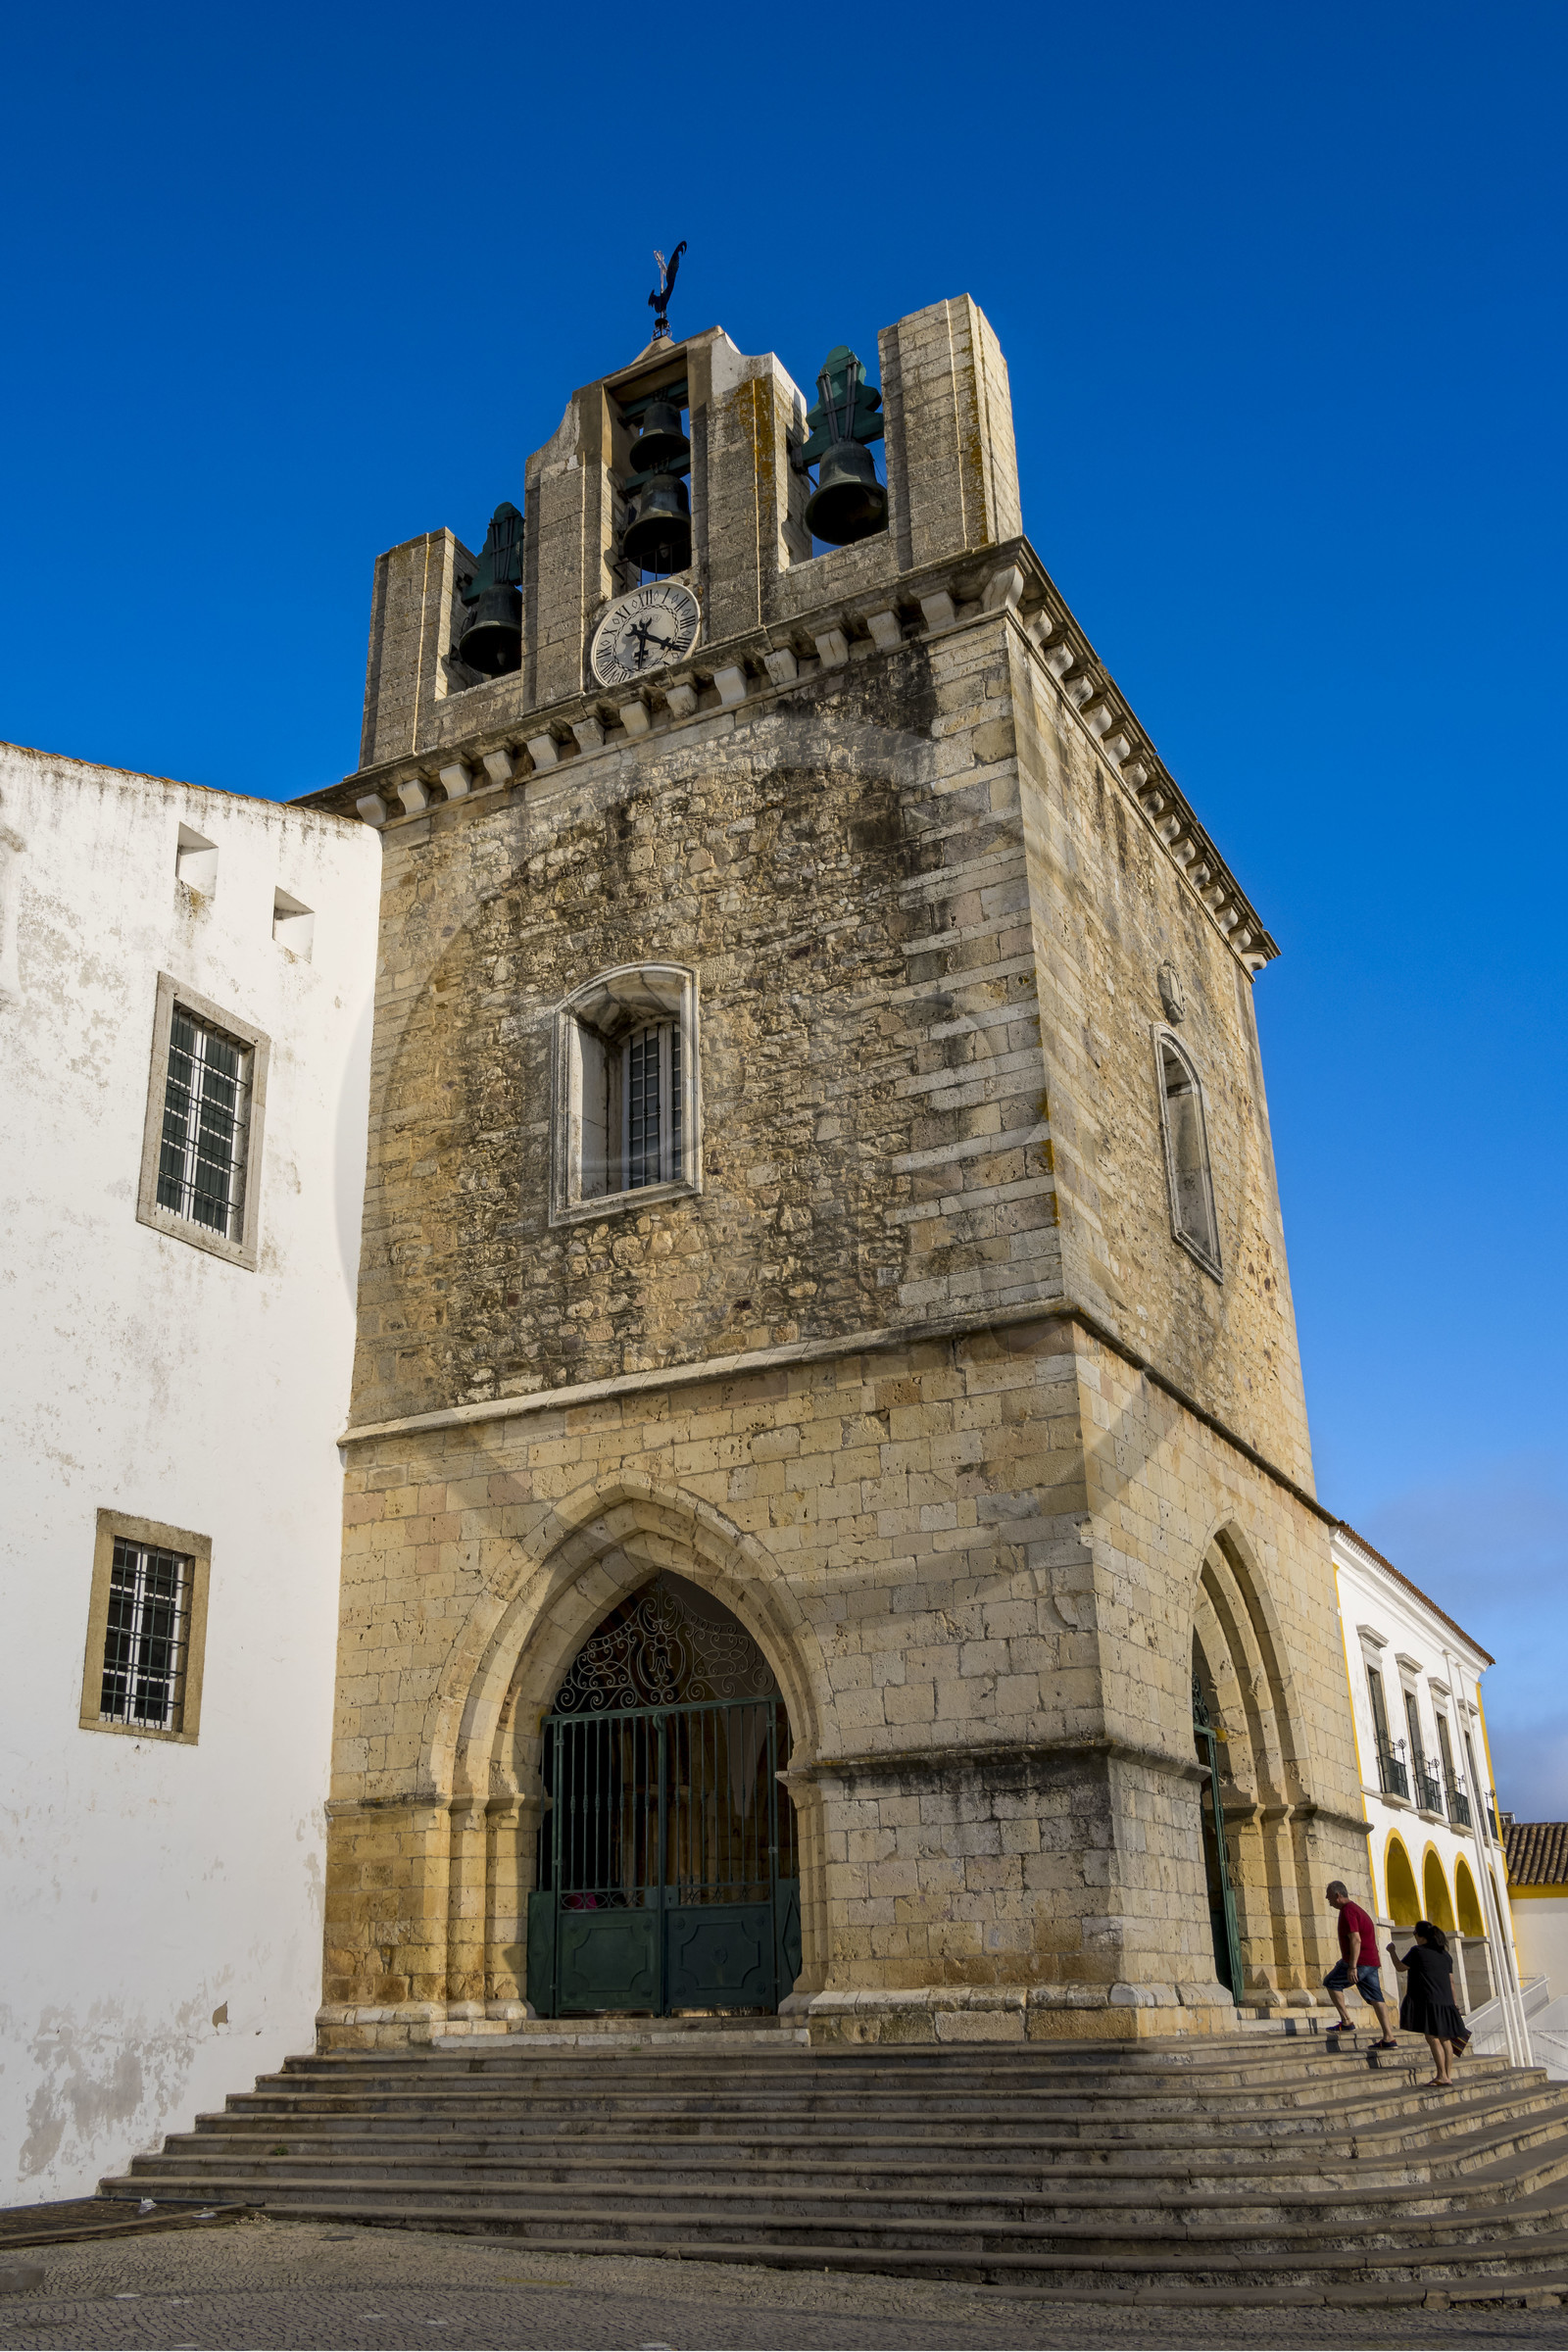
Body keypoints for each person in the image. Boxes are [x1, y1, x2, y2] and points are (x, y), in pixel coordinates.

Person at [1388, 1920, 1470, 2086]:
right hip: (1446, 2003)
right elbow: (1451, 1981)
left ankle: (1441, 2075)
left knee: (1432, 2038)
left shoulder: (1417, 1951)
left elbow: (1400, 1967)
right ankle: (1447, 2076)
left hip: (1429, 2001)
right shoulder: (1445, 1955)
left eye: (1415, 1934)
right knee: (1445, 2039)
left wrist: (1392, 1951)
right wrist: (1454, 2004)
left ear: (1420, 1935)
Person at [1323, 1880, 1397, 2050]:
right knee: (1376, 1998)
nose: (1329, 1902)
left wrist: (1352, 1966)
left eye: (1329, 1899)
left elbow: (1356, 1939)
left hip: (1360, 1962)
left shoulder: (1348, 1911)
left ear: (1337, 1895)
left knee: (1331, 1982)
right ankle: (1389, 2037)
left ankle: (1347, 2021)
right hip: (1371, 1961)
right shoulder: (1357, 1909)